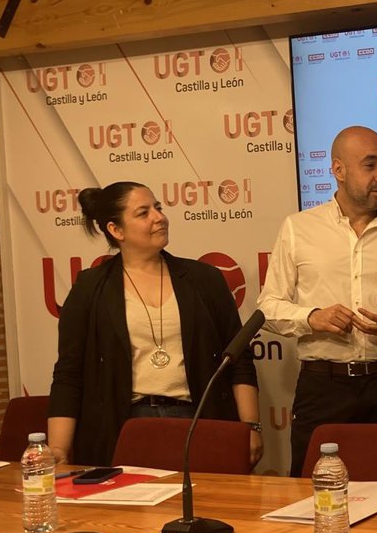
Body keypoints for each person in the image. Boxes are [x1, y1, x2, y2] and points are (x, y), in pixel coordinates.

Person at [258, 126, 377, 477]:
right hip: (323, 386)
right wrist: (312, 318)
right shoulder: (299, 228)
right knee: (313, 488)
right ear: (338, 170)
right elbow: (267, 307)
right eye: (370, 165)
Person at [47, 182, 262, 467]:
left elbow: (239, 360)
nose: (159, 217)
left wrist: (250, 427)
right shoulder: (90, 287)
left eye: (158, 208)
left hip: (199, 420)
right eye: (143, 213)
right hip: (123, 428)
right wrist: (58, 448)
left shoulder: (204, 279)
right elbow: (69, 373)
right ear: (116, 230)